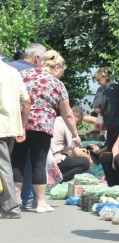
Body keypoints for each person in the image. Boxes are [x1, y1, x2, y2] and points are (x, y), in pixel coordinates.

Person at [11, 50, 82, 213]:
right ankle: (41, 203)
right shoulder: (57, 84)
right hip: (43, 126)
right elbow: (68, 114)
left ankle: (14, 201)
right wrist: (75, 135)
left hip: (21, 123)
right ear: (56, 66)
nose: (61, 75)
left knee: (18, 161)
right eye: (62, 71)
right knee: (38, 163)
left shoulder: (24, 74)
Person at [7, 43, 47, 209]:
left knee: (12, 162)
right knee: (31, 162)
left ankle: (10, 200)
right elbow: (27, 100)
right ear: (37, 58)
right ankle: (28, 198)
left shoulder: (8, 67)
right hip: (28, 124)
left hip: (7, 122)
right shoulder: (38, 74)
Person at [0, 60, 31, 219]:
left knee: (3, 167)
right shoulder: (13, 72)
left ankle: (11, 208)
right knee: (5, 166)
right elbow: (26, 100)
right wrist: (22, 125)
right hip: (11, 127)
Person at [51, 106, 91, 182]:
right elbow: (76, 153)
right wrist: (88, 158)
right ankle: (59, 179)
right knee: (85, 163)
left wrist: (80, 149)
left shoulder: (58, 119)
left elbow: (67, 149)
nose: (77, 125)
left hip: (48, 157)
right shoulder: (68, 124)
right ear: (75, 116)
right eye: (78, 122)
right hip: (55, 160)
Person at [92, 67, 119, 151]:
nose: (98, 84)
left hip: (113, 125)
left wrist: (101, 116)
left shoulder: (103, 89)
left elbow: (97, 109)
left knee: (112, 152)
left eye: (98, 80)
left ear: (104, 77)